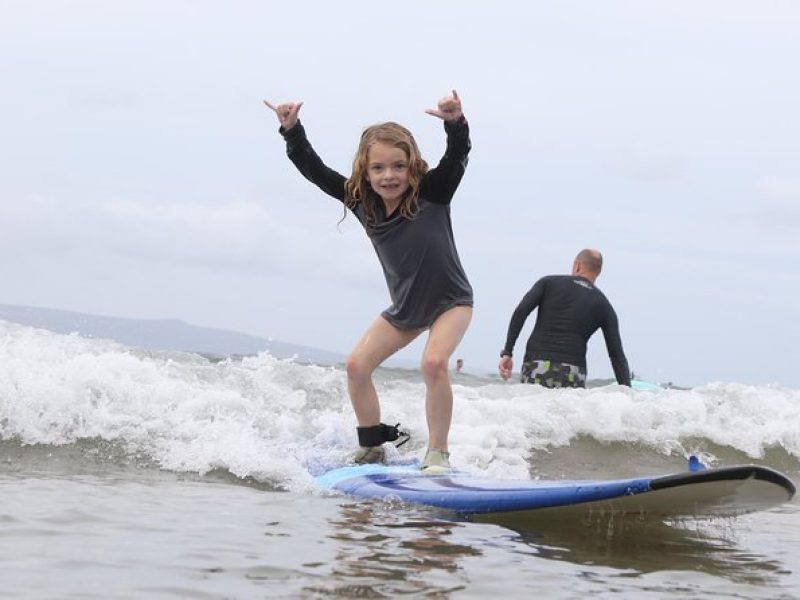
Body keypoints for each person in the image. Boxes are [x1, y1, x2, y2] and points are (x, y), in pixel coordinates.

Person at [265, 91, 473, 472]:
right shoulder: (362, 202)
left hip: (451, 301)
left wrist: (454, 123)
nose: (389, 176)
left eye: (398, 166)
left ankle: (438, 453)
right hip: (407, 307)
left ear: (413, 166)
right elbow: (315, 170)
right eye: (378, 168)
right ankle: (372, 446)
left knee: (433, 363)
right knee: (357, 366)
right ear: (365, 170)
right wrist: (291, 131)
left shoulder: (433, 193)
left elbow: (456, 157)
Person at [498, 249, 630, 388]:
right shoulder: (604, 304)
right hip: (574, 372)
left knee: (533, 408)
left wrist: (508, 352)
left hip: (537, 364)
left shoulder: (548, 282)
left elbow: (521, 312)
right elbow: (616, 355)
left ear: (577, 265)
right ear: (598, 272)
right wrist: (628, 395)